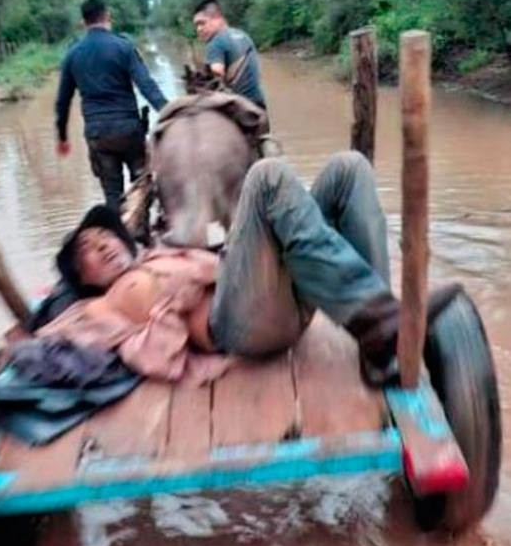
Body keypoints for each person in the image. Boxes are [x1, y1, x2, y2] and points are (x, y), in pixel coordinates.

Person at [32, 153, 457, 385]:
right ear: (81, 277)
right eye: (87, 248)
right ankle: (383, 323)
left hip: (269, 293)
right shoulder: (101, 304)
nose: (103, 243)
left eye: (104, 235)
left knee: (350, 169)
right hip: (236, 327)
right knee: (266, 176)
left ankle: (378, 337)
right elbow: (56, 338)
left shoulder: (155, 255)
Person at [55, 0, 168, 209]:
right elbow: (147, 86)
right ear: (107, 16)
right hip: (129, 131)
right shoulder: (123, 47)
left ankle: (120, 233)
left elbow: (63, 101)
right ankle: (144, 231)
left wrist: (62, 137)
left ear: (83, 22)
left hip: (98, 136)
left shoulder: (72, 55)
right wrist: (169, 111)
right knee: (142, 186)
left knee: (112, 195)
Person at [192, 0, 267, 110]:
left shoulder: (215, 42)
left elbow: (216, 75)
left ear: (217, 18)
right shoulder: (243, 35)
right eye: (196, 25)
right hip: (259, 105)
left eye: (202, 23)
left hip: (240, 109)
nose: (199, 29)